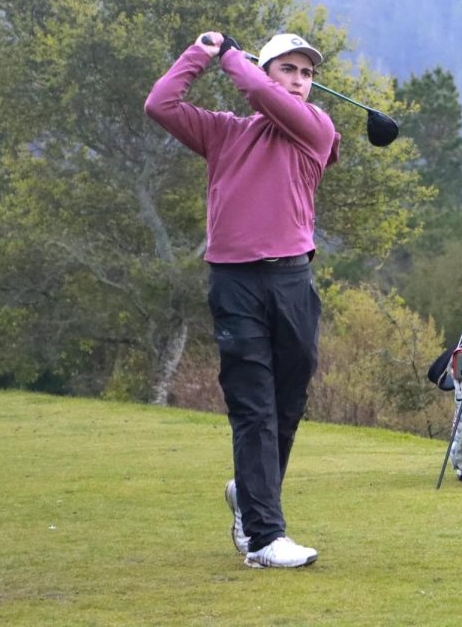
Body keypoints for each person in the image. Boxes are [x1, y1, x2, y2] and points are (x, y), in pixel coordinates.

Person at [145, 32, 339, 568]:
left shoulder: (316, 128)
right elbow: (160, 102)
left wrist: (235, 58)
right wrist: (203, 52)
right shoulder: (222, 132)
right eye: (288, 70)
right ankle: (263, 537)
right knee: (253, 405)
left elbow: (265, 99)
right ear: (265, 69)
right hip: (235, 283)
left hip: (293, 281)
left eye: (307, 73)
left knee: (288, 404)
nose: (299, 81)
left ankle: (250, 492)